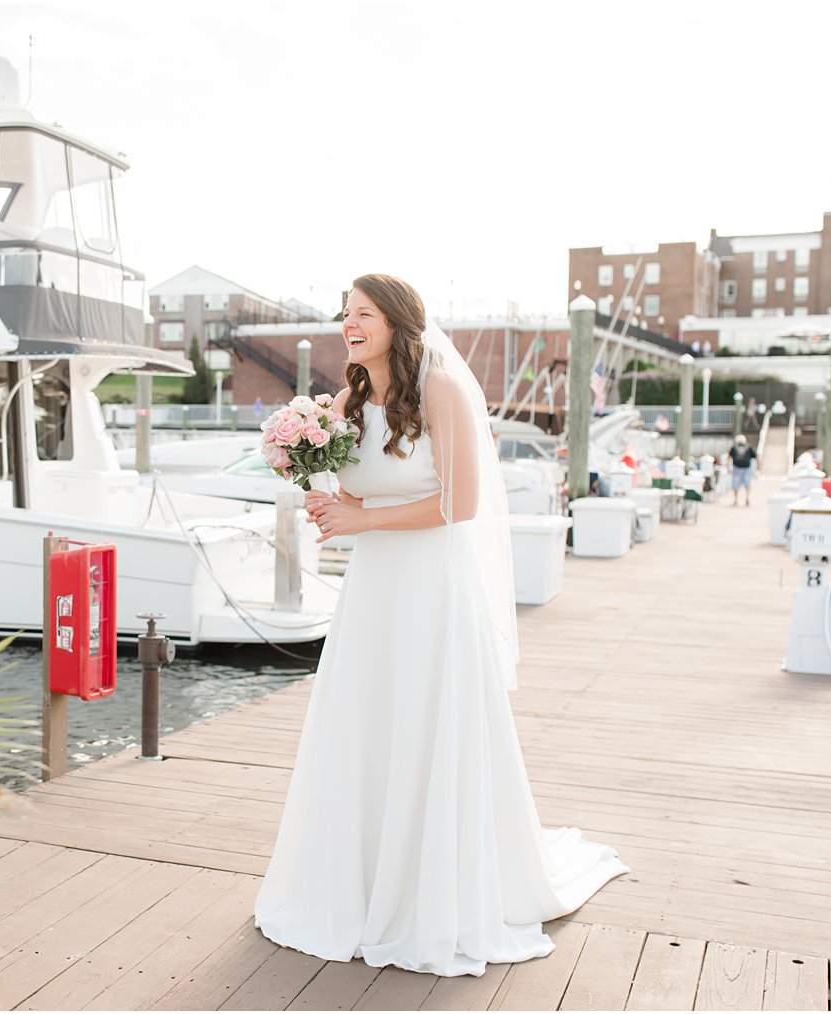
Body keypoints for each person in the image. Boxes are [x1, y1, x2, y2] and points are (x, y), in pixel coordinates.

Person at [253, 274, 627, 976]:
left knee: (429, 723)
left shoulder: (443, 391)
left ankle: (433, 894)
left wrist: (361, 517)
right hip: (374, 592)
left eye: (363, 313)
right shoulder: (345, 402)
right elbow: (357, 492)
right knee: (368, 725)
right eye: (345, 314)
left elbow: (461, 504)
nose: (349, 324)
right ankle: (357, 887)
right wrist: (317, 484)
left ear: (396, 321)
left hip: (431, 587)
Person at [729, 434, 758, 506]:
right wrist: (758, 469)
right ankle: (745, 498)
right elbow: (756, 457)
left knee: (736, 485)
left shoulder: (734, 447)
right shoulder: (749, 447)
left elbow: (729, 457)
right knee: (746, 485)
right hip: (745, 469)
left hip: (739, 468)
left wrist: (728, 467)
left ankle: (737, 499)